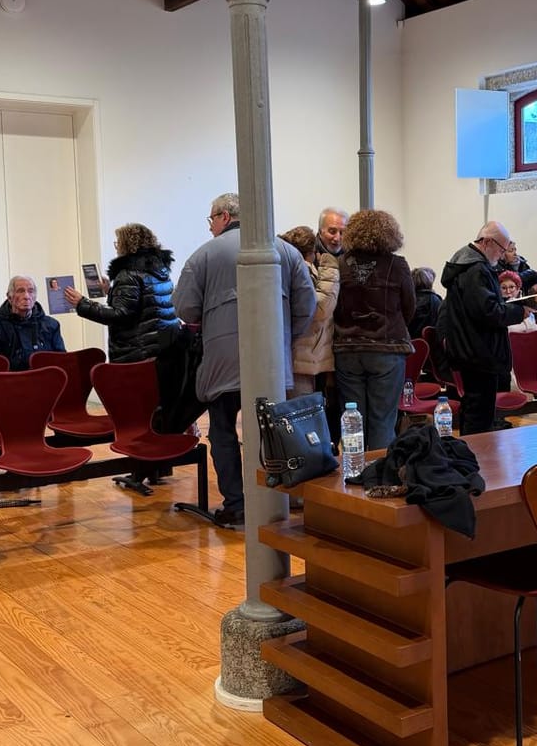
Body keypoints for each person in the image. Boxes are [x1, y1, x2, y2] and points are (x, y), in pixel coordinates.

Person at [175, 193, 315, 530]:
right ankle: (273, 501)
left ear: (224, 217)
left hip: (222, 362)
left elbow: (185, 308)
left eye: (211, 220)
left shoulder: (203, 255)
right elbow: (307, 305)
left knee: (222, 432)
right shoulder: (286, 251)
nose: (210, 227)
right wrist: (283, 339)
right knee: (271, 432)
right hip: (271, 361)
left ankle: (236, 505)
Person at [333, 209, 416, 451]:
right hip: (387, 350)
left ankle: (354, 469)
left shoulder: (340, 264)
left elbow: (333, 306)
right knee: (383, 420)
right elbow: (409, 307)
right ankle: (379, 470)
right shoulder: (397, 265)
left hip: (347, 349)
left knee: (352, 421)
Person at [437, 221, 531, 434]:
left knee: (474, 412)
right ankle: (477, 455)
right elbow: (488, 311)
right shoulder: (476, 269)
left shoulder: (465, 264)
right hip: (479, 352)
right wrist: (518, 312)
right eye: (501, 249)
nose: (502, 255)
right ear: (487, 242)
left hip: (470, 349)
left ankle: (472, 452)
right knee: (479, 419)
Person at [64, 222, 185, 365]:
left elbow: (120, 315)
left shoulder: (128, 274)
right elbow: (145, 303)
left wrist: (82, 303)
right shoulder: (160, 270)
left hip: (138, 352)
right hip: (164, 349)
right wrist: (111, 291)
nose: (116, 247)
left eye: (118, 243)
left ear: (127, 244)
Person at [280, 226, 338, 399]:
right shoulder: (303, 271)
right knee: (302, 409)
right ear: (312, 252)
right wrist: (330, 268)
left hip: (300, 355)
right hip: (302, 356)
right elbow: (320, 309)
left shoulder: (289, 269)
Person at [0, 275, 65, 369]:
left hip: (45, 377)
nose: (26, 296)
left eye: (30, 291)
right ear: (9, 297)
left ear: (35, 297)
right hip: (11, 378)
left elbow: (61, 361)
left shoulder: (51, 325)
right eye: (20, 291)